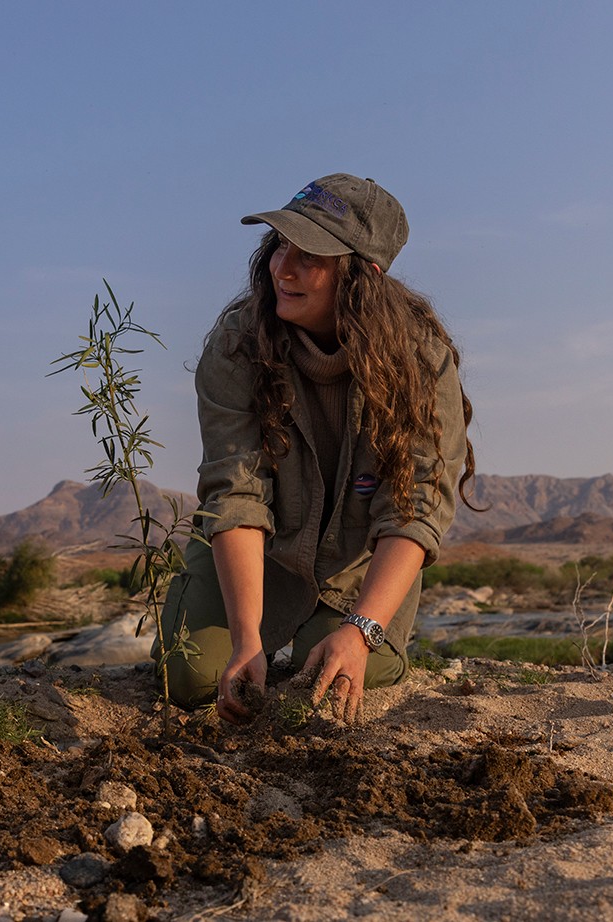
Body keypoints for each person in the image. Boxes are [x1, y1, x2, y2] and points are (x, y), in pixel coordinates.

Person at [156, 173, 477, 725]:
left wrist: (361, 630)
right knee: (193, 677)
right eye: (282, 245)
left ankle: (352, 633)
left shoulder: (422, 362)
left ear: (362, 278)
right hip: (261, 556)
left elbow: (415, 510)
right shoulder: (237, 344)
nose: (284, 267)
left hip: (360, 566)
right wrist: (245, 638)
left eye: (311, 257)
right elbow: (235, 495)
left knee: (328, 681)